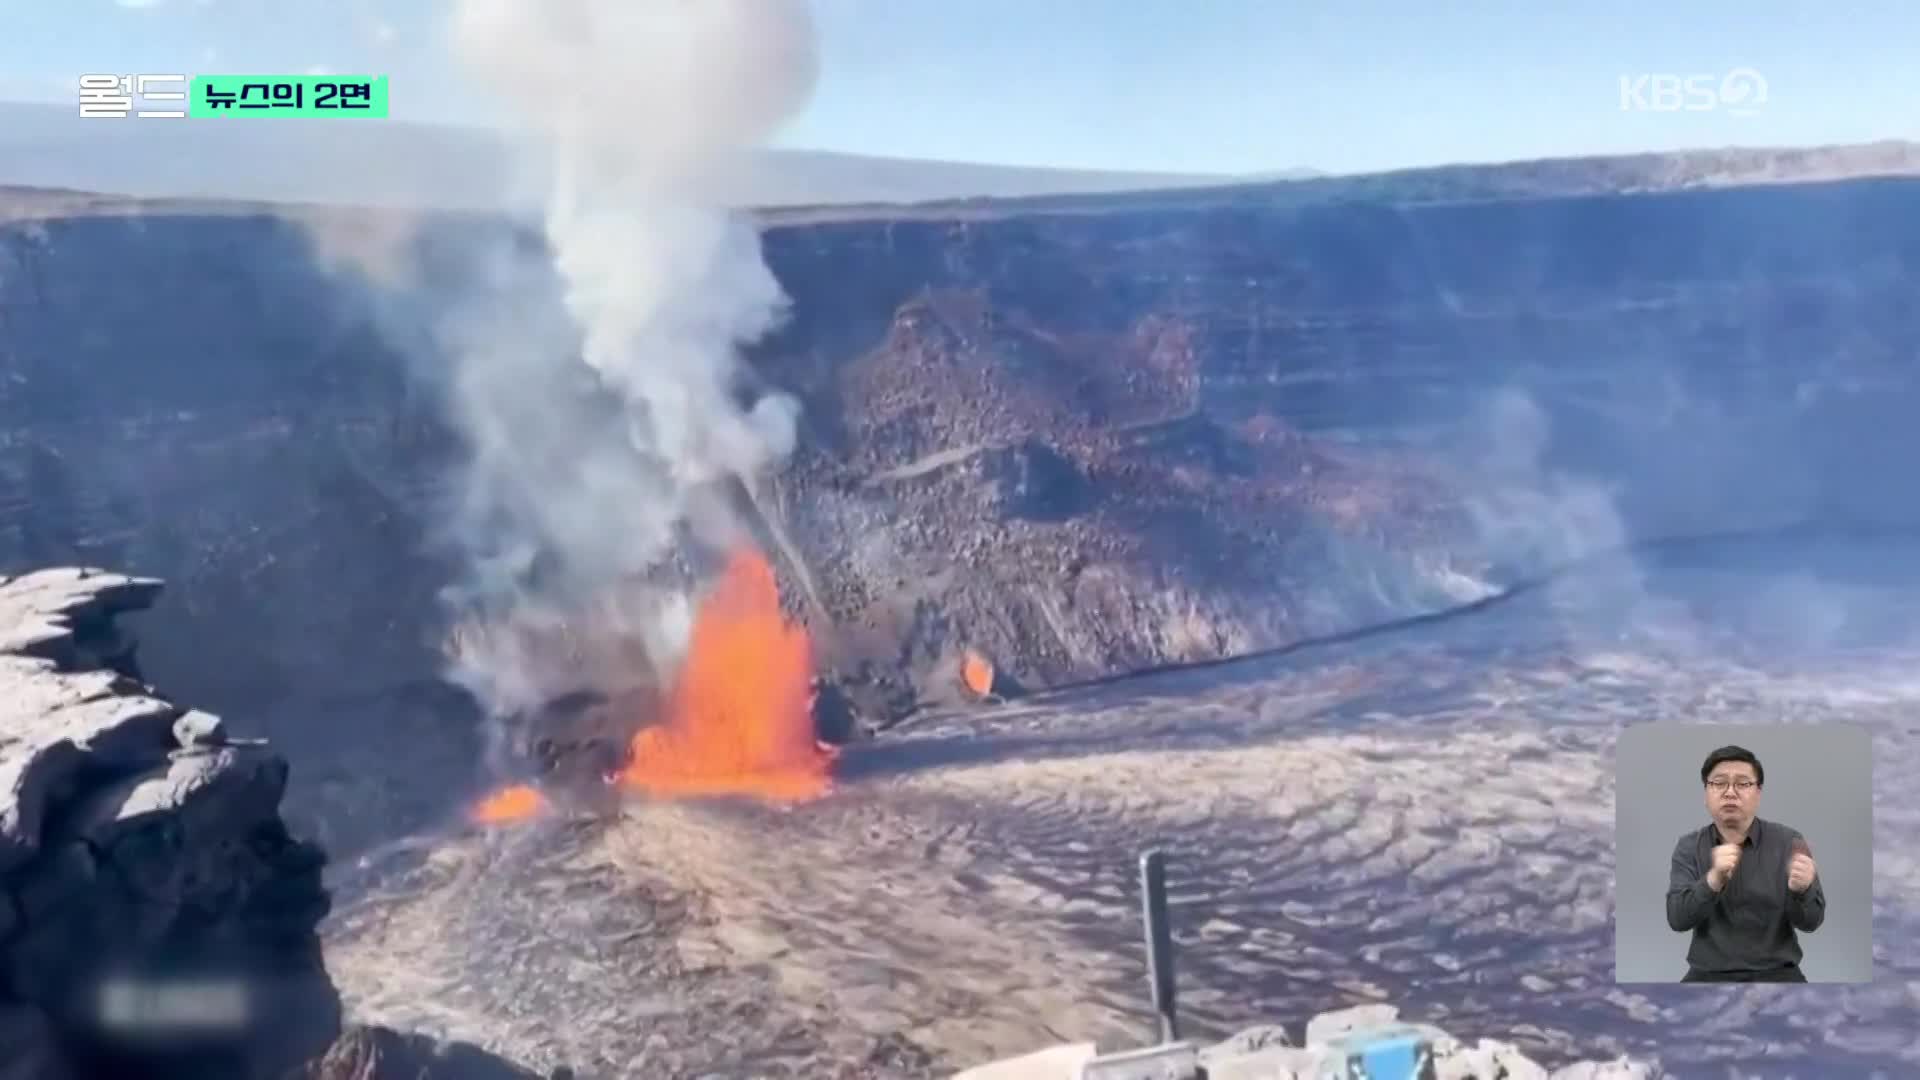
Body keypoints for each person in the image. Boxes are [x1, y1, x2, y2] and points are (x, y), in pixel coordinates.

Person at [1665, 745, 1825, 982]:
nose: (1730, 792)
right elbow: (1677, 920)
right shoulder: (1689, 846)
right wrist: (1713, 880)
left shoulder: (1789, 841)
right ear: (1706, 793)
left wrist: (1802, 891)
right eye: (1719, 783)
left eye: (1742, 784)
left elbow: (1811, 922)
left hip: (1779, 974)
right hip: (1708, 975)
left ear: (1758, 792)